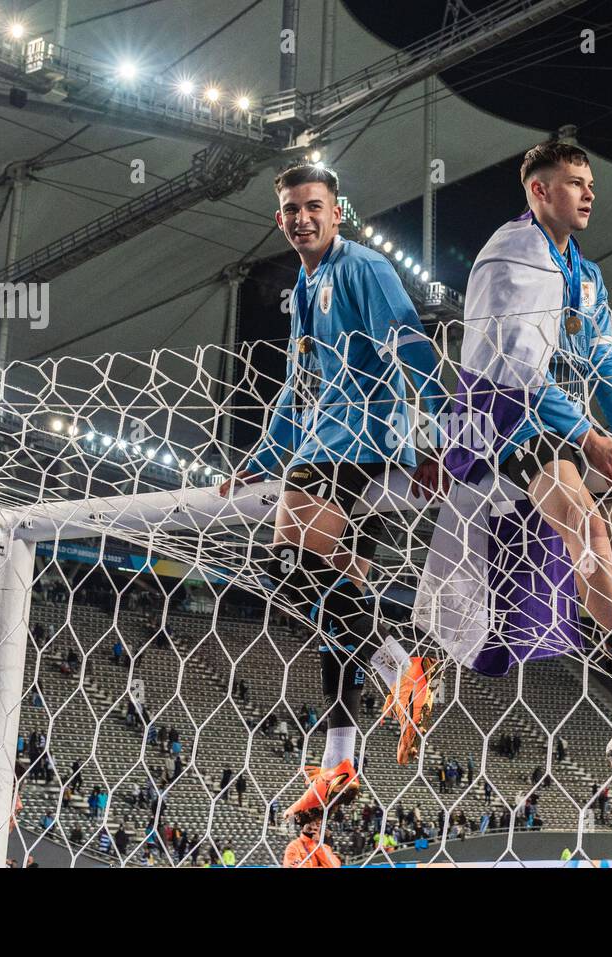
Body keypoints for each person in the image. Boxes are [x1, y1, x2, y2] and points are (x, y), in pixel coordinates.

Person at [417, 140, 612, 784]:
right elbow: (515, 366)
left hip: (567, 419)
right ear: (539, 191)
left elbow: (607, 356)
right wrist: (591, 438)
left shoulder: (585, 274)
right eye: (573, 182)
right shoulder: (513, 254)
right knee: (585, 529)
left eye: (591, 182)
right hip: (510, 419)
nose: (588, 193)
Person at [217, 162, 447, 852]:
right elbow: (296, 386)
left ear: (337, 210)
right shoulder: (307, 285)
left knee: (291, 570)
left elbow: (409, 339)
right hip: (328, 442)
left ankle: (402, 663)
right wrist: (258, 457)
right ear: (279, 218)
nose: (300, 218)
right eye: (290, 209)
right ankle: (342, 759)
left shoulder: (364, 267)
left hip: (358, 444)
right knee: (333, 600)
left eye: (312, 205)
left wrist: (437, 432)